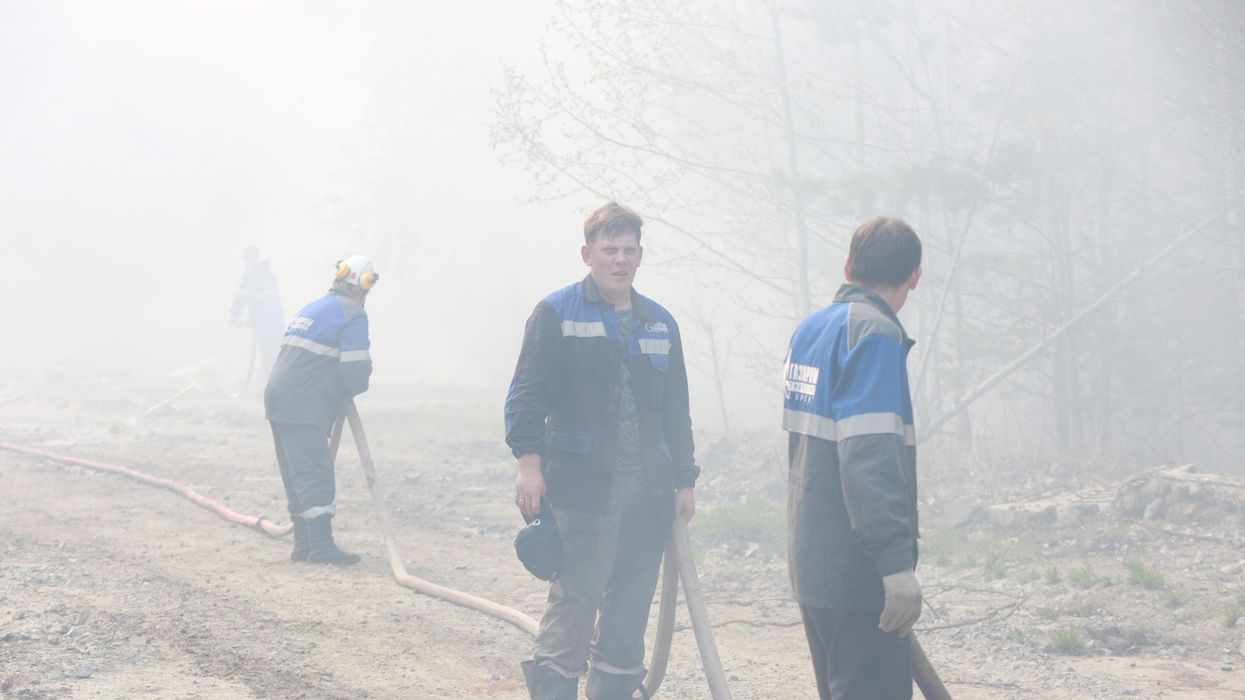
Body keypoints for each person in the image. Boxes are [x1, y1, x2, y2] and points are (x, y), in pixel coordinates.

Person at [505, 202, 699, 700]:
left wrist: (684, 480)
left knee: (631, 605)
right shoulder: (556, 313)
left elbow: (676, 409)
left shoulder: (659, 323)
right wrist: (529, 464)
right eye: (609, 250)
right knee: (576, 600)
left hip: (648, 490)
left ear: (640, 255)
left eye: (628, 250)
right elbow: (526, 395)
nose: (620, 260)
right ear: (587, 254)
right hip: (583, 486)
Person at [783, 216, 923, 700]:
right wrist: (894, 563)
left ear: (848, 265)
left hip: (812, 560)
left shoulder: (810, 330)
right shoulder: (875, 334)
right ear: (914, 276)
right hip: (856, 570)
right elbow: (870, 456)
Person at [264, 255, 378, 566]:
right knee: (314, 472)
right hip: (303, 403)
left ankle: (303, 544)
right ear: (362, 287)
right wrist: (352, 385)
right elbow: (356, 370)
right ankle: (321, 547)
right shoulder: (352, 313)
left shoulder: (313, 308)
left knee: (296, 473)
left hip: (278, 399)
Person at [230, 246, 286, 385]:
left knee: (267, 352)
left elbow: (241, 296)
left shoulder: (250, 275)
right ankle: (280, 381)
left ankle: (269, 384)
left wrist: (234, 316)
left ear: (246, 258)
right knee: (277, 350)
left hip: (264, 322)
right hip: (277, 319)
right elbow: (264, 300)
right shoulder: (268, 274)